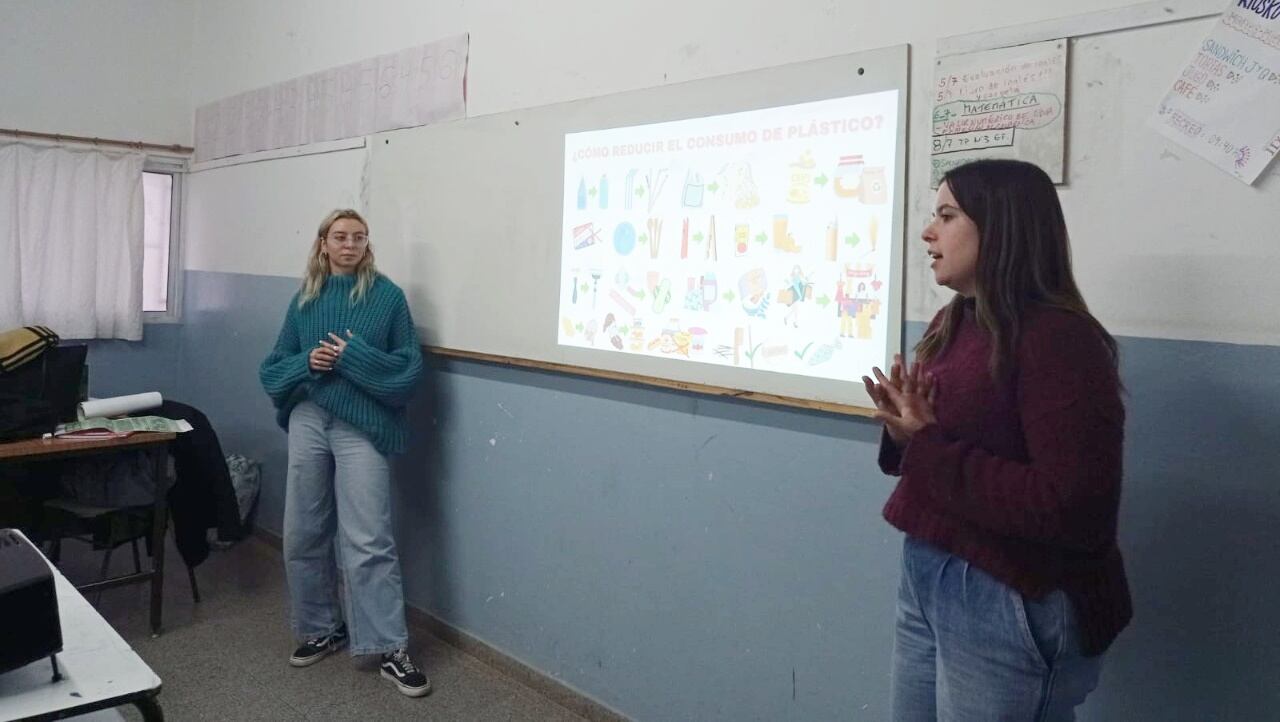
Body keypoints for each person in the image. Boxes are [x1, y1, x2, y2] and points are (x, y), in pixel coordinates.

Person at [862, 160, 1131, 720]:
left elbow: (1073, 506)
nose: (927, 232)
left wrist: (926, 443)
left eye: (947, 215)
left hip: (1010, 590)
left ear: (1001, 226)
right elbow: (934, 447)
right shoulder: (952, 321)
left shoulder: (1060, 339)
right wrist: (902, 432)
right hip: (930, 566)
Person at [259, 209, 429, 697]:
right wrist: (306, 362)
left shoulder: (387, 298)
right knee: (303, 532)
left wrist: (353, 356)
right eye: (340, 236)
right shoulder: (305, 300)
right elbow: (272, 370)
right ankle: (320, 628)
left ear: (366, 245)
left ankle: (390, 647)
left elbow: (406, 372)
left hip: (363, 426)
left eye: (358, 237)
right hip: (309, 419)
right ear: (323, 244)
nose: (349, 244)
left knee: (368, 539)